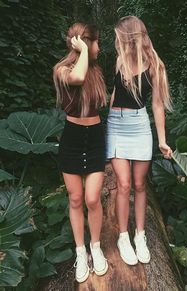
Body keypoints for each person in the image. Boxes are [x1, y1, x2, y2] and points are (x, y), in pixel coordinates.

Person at [106, 16, 173, 266]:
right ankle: (124, 237)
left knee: (139, 184)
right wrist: (108, 123)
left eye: (119, 38)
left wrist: (162, 141)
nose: (116, 43)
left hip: (139, 126)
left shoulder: (154, 64)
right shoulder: (120, 60)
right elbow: (116, 94)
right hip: (115, 125)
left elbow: (157, 105)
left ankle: (140, 235)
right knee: (123, 184)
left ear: (129, 38)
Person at [53, 22, 108, 283]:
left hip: (95, 138)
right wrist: (84, 51)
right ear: (86, 44)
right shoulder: (62, 69)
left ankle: (96, 247)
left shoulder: (97, 72)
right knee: (75, 199)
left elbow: (89, 80)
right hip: (72, 139)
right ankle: (80, 250)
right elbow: (77, 78)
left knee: (93, 198)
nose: (99, 48)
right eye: (96, 43)